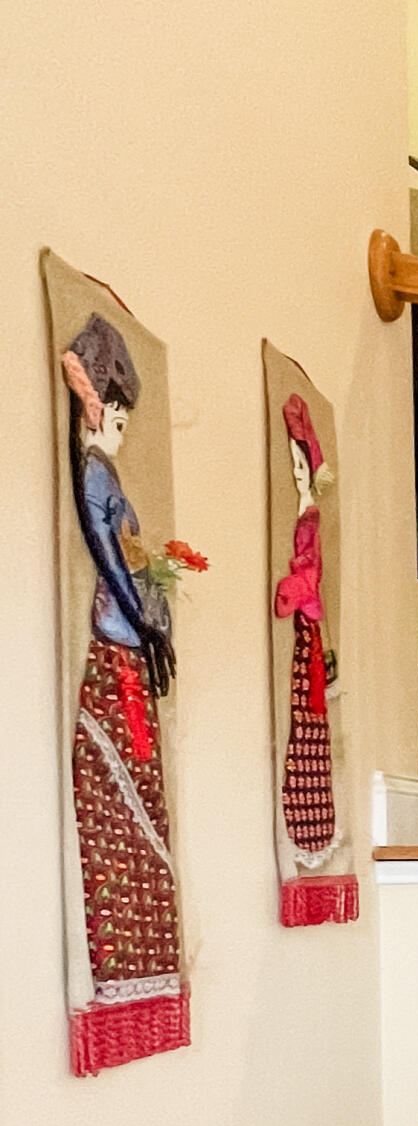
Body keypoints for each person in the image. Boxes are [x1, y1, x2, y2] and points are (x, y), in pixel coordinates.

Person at [61, 314, 182, 1010]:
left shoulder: (105, 472)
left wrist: (154, 613)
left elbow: (132, 558)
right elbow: (112, 559)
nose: (122, 431)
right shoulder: (93, 475)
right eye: (120, 417)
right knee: (120, 773)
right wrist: (142, 616)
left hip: (132, 641)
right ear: (98, 408)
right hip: (116, 639)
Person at [275, 394, 336, 853]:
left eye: (303, 466)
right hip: (304, 626)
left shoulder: (310, 520)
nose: (299, 476)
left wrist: (297, 592)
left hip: (307, 626)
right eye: (294, 467)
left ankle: (312, 823)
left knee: (311, 721)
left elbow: (308, 576)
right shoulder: (301, 518)